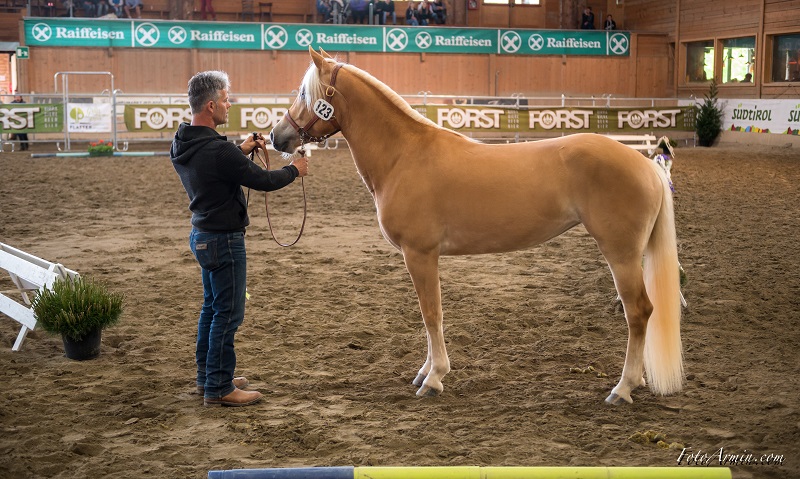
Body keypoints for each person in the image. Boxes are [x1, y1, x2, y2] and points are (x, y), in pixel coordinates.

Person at [170, 70, 309, 408]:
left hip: (202, 234)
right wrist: (295, 170)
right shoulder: (220, 151)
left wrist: (241, 149)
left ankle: (208, 376)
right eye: (226, 99)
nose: (229, 104)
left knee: (212, 309)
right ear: (211, 105)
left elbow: (218, 164)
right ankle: (219, 387)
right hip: (225, 240)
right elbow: (264, 180)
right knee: (228, 314)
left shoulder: (183, 143)